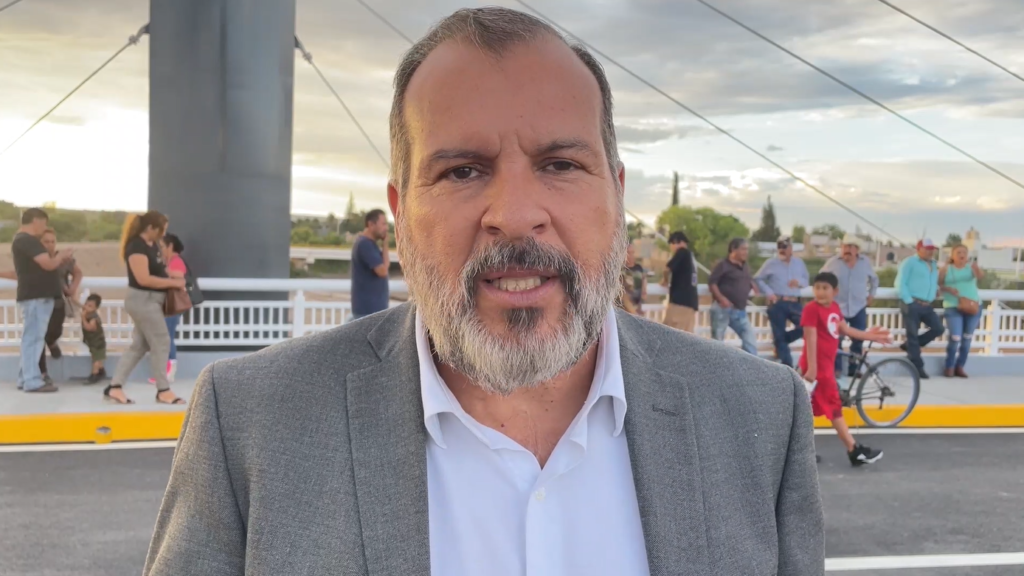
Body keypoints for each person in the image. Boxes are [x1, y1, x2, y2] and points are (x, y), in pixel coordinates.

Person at [145, 8, 824, 575]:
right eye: (463, 171)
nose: (516, 215)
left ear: (616, 197)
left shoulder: (760, 417)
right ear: (401, 214)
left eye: (561, 164)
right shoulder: (252, 425)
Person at [799, 272, 891, 465]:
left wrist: (870, 336)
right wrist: (813, 369)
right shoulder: (811, 309)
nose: (820, 292)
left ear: (835, 291)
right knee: (833, 408)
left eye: (825, 288)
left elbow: (846, 330)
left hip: (825, 368)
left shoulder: (834, 308)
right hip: (818, 370)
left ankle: (799, 453)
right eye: (817, 288)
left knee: (804, 411)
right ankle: (853, 449)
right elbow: (810, 338)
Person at [105, 211, 187, 405]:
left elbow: (158, 270)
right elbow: (143, 279)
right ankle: (163, 390)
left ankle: (115, 387)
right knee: (162, 341)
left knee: (139, 346)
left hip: (152, 301)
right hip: (143, 301)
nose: (163, 234)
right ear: (150, 228)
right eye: (161, 230)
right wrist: (173, 283)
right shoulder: (136, 247)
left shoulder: (153, 245)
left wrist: (173, 275)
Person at [11, 208, 73, 393]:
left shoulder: (21, 241)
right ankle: (32, 381)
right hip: (36, 297)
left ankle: (25, 377)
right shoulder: (28, 241)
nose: (44, 227)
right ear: (36, 221)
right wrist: (61, 256)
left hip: (34, 296)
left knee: (31, 339)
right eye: (43, 223)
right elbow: (48, 264)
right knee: (34, 339)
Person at [821, 234, 879, 378]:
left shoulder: (865, 262)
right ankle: (836, 370)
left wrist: (871, 295)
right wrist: (826, 296)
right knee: (836, 339)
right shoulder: (833, 262)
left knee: (858, 340)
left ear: (857, 249)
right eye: (845, 246)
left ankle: (854, 369)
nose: (847, 249)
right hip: (837, 307)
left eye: (851, 247)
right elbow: (821, 278)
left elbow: (874, 279)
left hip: (859, 306)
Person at [754, 235, 809, 367]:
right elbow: (757, 278)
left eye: (785, 247)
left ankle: (780, 342)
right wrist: (769, 292)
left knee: (805, 326)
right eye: (780, 247)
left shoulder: (799, 263)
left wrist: (799, 282)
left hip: (795, 302)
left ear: (791, 248)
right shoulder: (770, 263)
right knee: (779, 334)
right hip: (777, 303)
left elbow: (806, 281)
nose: (782, 250)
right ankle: (788, 366)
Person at [37, 228, 83, 384]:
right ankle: (43, 373)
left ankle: (51, 342)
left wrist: (72, 288)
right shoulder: (35, 259)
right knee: (39, 338)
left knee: (55, 331)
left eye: (52, 241)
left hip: (58, 302)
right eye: (46, 241)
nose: (49, 245)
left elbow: (78, 273)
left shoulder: (64, 259)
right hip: (39, 302)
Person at [895, 238, 942, 379]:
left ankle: (910, 346)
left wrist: (935, 290)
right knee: (913, 335)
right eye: (927, 249)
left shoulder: (933, 264)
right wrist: (909, 301)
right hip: (912, 303)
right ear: (919, 249)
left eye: (932, 249)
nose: (930, 252)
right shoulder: (909, 262)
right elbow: (900, 282)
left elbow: (929, 281)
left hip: (927, 304)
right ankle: (917, 366)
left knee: (938, 328)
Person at [708, 238, 759, 355]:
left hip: (740, 311)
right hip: (722, 309)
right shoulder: (723, 265)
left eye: (747, 249)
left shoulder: (745, 266)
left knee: (750, 342)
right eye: (743, 249)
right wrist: (721, 298)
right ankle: (716, 365)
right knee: (717, 344)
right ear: (733, 250)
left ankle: (748, 366)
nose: (746, 252)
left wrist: (752, 283)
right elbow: (712, 283)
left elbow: (746, 279)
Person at [939, 244, 983, 378]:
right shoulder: (946, 269)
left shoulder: (971, 268)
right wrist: (948, 289)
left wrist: (977, 269)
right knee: (955, 337)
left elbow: (980, 277)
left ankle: (960, 366)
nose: (962, 255)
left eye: (964, 252)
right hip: (952, 306)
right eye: (958, 252)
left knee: (967, 338)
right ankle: (949, 366)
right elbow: (939, 284)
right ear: (952, 255)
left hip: (972, 305)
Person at [156, 234, 188, 383]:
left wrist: (163, 270)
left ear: (170, 246)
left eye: (163, 246)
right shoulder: (170, 261)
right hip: (167, 305)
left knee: (167, 337)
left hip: (172, 305)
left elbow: (180, 277)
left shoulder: (176, 261)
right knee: (165, 336)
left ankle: (169, 370)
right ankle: (164, 371)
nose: (161, 249)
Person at [351, 209, 390, 320]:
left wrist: (385, 244)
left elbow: (385, 266)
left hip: (372, 311)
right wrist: (385, 243)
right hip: (368, 312)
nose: (386, 228)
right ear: (371, 224)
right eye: (383, 224)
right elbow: (383, 271)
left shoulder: (370, 244)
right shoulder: (365, 244)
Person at [661, 231, 699, 333]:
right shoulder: (691, 256)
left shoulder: (682, 252)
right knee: (686, 334)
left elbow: (667, 269)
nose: (671, 247)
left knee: (669, 333)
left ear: (678, 242)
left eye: (672, 244)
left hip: (679, 302)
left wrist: (665, 280)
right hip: (691, 302)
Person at [81, 294, 107, 384]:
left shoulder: (93, 318)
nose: (86, 307)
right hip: (95, 342)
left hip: (97, 343)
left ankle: (94, 374)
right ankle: (101, 371)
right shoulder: (89, 313)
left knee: (95, 359)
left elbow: (89, 328)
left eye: (90, 306)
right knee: (98, 357)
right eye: (86, 304)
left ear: (96, 308)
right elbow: (79, 305)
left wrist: (83, 318)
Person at [622, 242, 646, 315]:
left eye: (633, 252)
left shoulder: (638, 268)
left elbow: (643, 280)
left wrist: (644, 291)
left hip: (637, 307)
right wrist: (634, 312)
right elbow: (623, 294)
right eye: (628, 253)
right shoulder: (621, 270)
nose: (631, 255)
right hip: (625, 310)